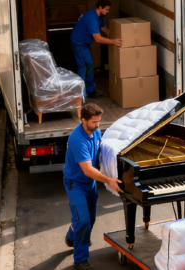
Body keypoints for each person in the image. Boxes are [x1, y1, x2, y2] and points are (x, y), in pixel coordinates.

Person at [63, 104, 123, 270]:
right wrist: (108, 180)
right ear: (83, 120)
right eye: (94, 122)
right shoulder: (77, 140)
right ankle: (80, 260)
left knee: (90, 218)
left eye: (99, 121)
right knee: (83, 220)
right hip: (76, 184)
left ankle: (71, 237)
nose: (98, 125)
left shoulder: (95, 131)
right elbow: (88, 170)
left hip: (90, 183)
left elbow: (101, 150)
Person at [70, 0, 122, 99]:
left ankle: (89, 90)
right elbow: (98, 39)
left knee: (89, 66)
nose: (108, 11)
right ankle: (81, 94)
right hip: (79, 43)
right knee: (85, 67)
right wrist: (113, 41)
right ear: (100, 7)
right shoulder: (92, 18)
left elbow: (104, 28)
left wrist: (115, 34)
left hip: (84, 43)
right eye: (106, 9)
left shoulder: (99, 16)